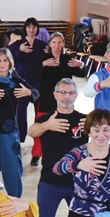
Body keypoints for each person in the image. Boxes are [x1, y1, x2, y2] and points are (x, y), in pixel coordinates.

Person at [23, 78, 86, 217]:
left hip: (78, 182)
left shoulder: (84, 120)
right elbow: (32, 131)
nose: (67, 97)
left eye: (71, 93)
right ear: (55, 94)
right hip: (50, 181)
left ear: (76, 95)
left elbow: (107, 131)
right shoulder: (46, 118)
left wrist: (92, 128)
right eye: (63, 92)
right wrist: (48, 125)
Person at [0, 48, 38, 197]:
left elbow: (37, 93)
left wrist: (29, 93)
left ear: (10, 62)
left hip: (9, 132)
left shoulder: (17, 82)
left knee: (12, 165)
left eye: (5, 60)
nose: (2, 64)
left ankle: (14, 199)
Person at [29, 32, 83, 165]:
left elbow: (81, 73)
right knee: (41, 126)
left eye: (59, 42)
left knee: (63, 126)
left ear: (63, 44)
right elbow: (34, 74)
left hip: (64, 101)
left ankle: (62, 152)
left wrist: (81, 64)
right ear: (50, 44)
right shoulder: (44, 58)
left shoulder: (67, 59)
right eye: (54, 42)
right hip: (46, 99)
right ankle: (36, 154)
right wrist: (43, 64)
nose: (57, 45)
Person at [7, 18, 46, 144]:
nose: (31, 30)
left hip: (37, 81)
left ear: (37, 29)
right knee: (20, 111)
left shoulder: (42, 44)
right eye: (29, 27)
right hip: (21, 82)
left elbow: (48, 57)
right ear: (25, 29)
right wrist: (19, 49)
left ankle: (37, 139)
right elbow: (7, 53)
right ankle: (20, 138)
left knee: (38, 111)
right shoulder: (19, 43)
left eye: (34, 27)